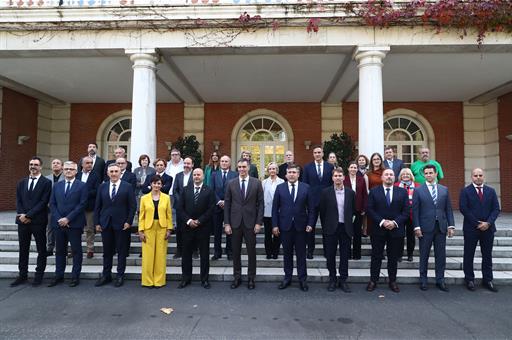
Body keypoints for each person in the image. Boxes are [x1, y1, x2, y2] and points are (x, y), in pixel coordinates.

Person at [412, 164, 455, 292]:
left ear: (436, 174)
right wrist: (416, 227)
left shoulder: (444, 189)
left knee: (440, 255)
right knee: (424, 255)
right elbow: (415, 211)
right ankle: (423, 280)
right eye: (426, 173)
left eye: (431, 173)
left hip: (441, 227)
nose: (429, 175)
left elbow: (448, 209)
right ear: (424, 175)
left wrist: (451, 225)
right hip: (425, 228)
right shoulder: (418, 190)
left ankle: (440, 280)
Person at [10, 157, 52, 287]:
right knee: (23, 249)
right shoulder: (21, 182)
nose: (33, 166)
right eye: (31, 164)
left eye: (36, 164)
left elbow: (43, 202)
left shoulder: (46, 183)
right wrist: (22, 215)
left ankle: (38, 275)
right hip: (22, 221)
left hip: (38, 221)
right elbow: (18, 200)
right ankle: (22, 275)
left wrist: (29, 215)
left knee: (41, 249)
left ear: (41, 167)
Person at [272, 164, 314, 291]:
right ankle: (287, 278)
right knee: (287, 254)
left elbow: (311, 208)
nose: (291, 174)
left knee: (301, 254)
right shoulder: (280, 188)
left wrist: (310, 224)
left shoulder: (306, 188)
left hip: (301, 227)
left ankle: (302, 279)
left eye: (294, 172)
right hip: (285, 227)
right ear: (285, 175)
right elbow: (274, 209)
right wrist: (274, 225)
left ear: (298, 174)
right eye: (289, 172)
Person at [366, 169, 409, 293]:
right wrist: (382, 222)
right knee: (376, 256)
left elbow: (406, 211)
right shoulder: (374, 191)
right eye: (386, 175)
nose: (389, 177)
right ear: (382, 178)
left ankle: (392, 281)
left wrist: (394, 223)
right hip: (378, 230)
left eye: (391, 175)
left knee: (393, 257)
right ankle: (373, 280)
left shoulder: (402, 192)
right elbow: (370, 209)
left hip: (396, 230)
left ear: (395, 177)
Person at [94, 163, 137, 288]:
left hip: (122, 224)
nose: (113, 174)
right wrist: (97, 222)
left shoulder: (127, 186)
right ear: (107, 173)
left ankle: (120, 275)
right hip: (105, 224)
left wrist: (129, 221)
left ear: (120, 173)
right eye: (111, 171)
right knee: (107, 252)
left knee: (121, 252)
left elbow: (132, 206)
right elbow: (97, 206)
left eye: (116, 171)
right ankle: (106, 275)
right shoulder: (102, 187)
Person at [224, 159, 264, 290]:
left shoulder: (257, 183)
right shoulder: (231, 183)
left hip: (251, 223)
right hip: (235, 223)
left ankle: (251, 278)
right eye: (239, 167)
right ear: (237, 168)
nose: (242, 169)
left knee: (251, 252)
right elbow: (227, 205)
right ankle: (237, 277)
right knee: (236, 252)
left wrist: (259, 223)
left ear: (248, 168)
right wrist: (227, 223)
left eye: (244, 167)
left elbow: (261, 204)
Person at [459, 168, 500, 292]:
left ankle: (488, 280)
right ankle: (469, 279)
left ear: (484, 176)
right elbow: (463, 209)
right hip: (471, 228)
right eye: (475, 175)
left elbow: (496, 209)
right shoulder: (465, 191)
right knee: (469, 254)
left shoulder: (491, 191)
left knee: (487, 255)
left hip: (488, 228)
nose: (478, 177)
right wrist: (477, 223)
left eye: (480, 175)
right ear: (471, 177)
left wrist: (488, 223)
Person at [48, 161, 88, 287]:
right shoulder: (57, 186)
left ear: (76, 171)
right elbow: (52, 204)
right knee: (59, 251)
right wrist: (60, 219)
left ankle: (75, 276)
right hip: (58, 224)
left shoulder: (82, 186)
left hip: (74, 224)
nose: (68, 171)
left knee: (76, 251)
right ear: (63, 170)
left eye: (71, 169)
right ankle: (58, 275)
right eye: (66, 169)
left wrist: (68, 219)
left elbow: (82, 205)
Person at [177, 168, 216, 289]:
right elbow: (180, 208)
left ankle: (204, 279)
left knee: (204, 255)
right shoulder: (185, 190)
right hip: (187, 227)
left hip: (203, 228)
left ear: (203, 176)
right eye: (194, 175)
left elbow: (211, 209)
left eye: (198, 174)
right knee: (186, 255)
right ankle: (185, 278)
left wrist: (199, 221)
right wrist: (189, 221)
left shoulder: (209, 191)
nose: (196, 176)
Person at [318, 167, 356, 292]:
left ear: (344, 177)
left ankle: (343, 280)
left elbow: (353, 210)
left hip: (345, 228)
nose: (338, 178)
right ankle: (333, 279)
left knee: (345, 256)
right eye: (336, 176)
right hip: (330, 228)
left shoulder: (350, 193)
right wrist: (326, 225)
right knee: (330, 255)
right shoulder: (325, 192)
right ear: (332, 178)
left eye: (340, 175)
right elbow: (322, 212)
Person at [138, 175, 173, 288]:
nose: (156, 185)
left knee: (160, 255)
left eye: (159, 183)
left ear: (161, 185)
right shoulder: (144, 198)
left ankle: (159, 281)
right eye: (154, 183)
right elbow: (141, 216)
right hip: (148, 227)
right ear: (151, 184)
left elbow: (169, 214)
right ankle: (147, 281)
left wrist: (169, 229)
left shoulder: (166, 198)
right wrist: (141, 230)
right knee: (148, 256)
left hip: (162, 227)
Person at [302, 145, 334, 259]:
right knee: (310, 227)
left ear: (323, 153)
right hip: (312, 202)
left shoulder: (330, 167)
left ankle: (327, 251)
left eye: (319, 152)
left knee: (327, 228)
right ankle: (310, 251)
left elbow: (332, 184)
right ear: (313, 154)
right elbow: (305, 185)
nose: (317, 154)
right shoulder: (307, 167)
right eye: (315, 152)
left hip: (326, 202)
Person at [211, 155, 238, 260]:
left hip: (230, 207)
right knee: (217, 232)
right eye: (222, 161)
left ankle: (230, 252)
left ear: (230, 163)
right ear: (220, 162)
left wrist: (226, 202)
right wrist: (218, 201)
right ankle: (217, 252)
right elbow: (211, 190)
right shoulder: (214, 174)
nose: (224, 163)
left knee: (230, 231)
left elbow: (236, 190)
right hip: (217, 207)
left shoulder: (235, 175)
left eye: (226, 161)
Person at [76, 156, 101, 259]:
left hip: (90, 207)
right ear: (82, 164)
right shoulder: (77, 174)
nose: (90, 165)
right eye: (87, 163)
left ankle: (90, 249)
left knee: (90, 229)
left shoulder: (96, 175)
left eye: (91, 163)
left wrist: (83, 193)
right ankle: (75, 249)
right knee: (76, 229)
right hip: (76, 207)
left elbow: (97, 190)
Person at [343, 161, 368, 260]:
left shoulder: (361, 179)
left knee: (357, 232)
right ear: (348, 169)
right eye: (351, 167)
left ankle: (357, 254)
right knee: (347, 232)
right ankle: (347, 254)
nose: (353, 169)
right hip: (346, 209)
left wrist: (364, 208)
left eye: (355, 167)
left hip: (358, 209)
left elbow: (365, 194)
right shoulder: (344, 179)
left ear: (357, 169)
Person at [394, 168, 419, 262]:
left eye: (407, 174)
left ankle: (410, 254)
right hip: (399, 214)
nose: (405, 176)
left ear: (411, 176)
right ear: (400, 176)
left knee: (411, 236)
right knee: (399, 235)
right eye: (403, 174)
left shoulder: (417, 186)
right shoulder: (396, 185)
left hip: (412, 214)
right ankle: (399, 255)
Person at [172, 156, 194, 259]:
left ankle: (194, 250)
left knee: (193, 229)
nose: (186, 165)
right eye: (185, 163)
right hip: (180, 207)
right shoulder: (178, 175)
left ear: (192, 165)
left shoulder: (195, 175)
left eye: (188, 163)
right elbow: (175, 190)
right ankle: (179, 250)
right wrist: (181, 201)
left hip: (193, 206)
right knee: (179, 230)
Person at [262, 162, 284, 259]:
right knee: (267, 234)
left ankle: (275, 252)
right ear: (268, 170)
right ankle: (268, 253)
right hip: (267, 212)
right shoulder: (264, 182)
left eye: (274, 169)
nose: (272, 171)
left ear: (277, 170)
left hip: (278, 212)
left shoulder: (282, 181)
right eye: (270, 169)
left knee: (277, 233)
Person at [45, 158, 64, 256]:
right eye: (54, 163)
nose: (55, 164)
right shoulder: (46, 178)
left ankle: (60, 248)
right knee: (50, 228)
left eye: (58, 163)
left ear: (62, 166)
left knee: (62, 229)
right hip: (50, 208)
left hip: (62, 208)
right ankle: (50, 247)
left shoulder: (66, 177)